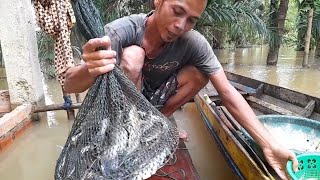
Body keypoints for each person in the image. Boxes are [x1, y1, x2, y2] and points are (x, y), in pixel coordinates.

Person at [63, 0, 298, 179]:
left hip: (155, 100)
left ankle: (160, 123)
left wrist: (270, 145)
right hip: (123, 105)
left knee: (200, 73)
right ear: (158, 1)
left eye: (191, 20)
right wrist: (91, 68)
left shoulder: (193, 42)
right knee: (134, 55)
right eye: (177, 11)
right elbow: (69, 84)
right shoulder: (121, 31)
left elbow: (227, 92)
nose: (180, 26)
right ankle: (130, 132)